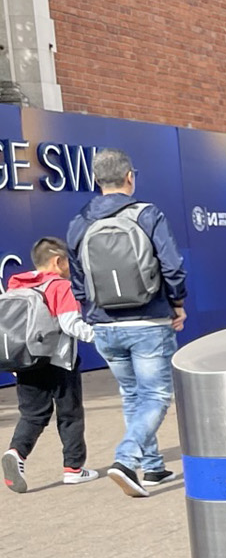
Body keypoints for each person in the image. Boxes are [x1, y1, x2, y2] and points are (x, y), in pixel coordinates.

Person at [66, 147, 187, 498]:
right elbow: (172, 267)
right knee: (157, 395)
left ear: (96, 180)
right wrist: (177, 304)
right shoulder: (147, 215)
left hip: (104, 324)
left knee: (132, 395)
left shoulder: (79, 222)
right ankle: (126, 460)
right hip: (148, 321)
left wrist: (96, 313)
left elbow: (77, 282)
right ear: (130, 177)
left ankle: (151, 468)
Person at [2, 238, 98, 492]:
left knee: (33, 414)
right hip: (59, 361)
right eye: (68, 262)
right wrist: (100, 335)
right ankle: (73, 469)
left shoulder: (15, 287)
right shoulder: (60, 287)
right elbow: (70, 325)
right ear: (58, 261)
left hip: (24, 362)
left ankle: (16, 453)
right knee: (70, 414)